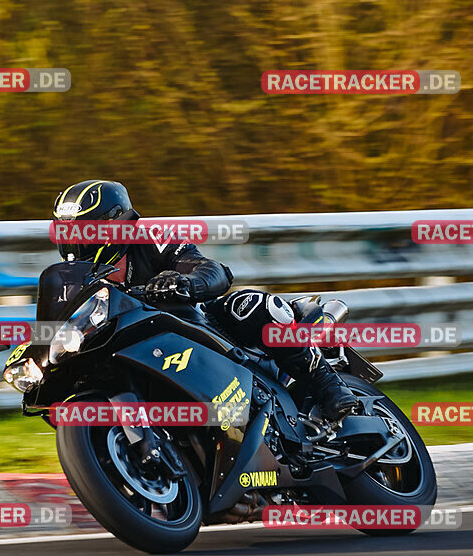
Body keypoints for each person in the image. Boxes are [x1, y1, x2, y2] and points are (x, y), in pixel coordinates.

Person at [41, 179, 359, 422]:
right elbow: (64, 325)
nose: (76, 241)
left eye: (85, 230)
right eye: (67, 231)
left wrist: (184, 283)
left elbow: (212, 270)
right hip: (138, 353)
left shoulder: (152, 243)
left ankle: (329, 386)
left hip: (200, 329)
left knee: (249, 306)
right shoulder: (72, 283)